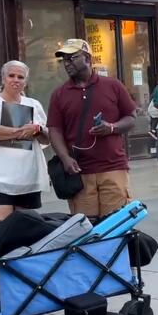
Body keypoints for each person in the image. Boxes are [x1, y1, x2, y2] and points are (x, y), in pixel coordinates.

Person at [48, 39, 136, 218]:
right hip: (79, 173)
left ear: (87, 58)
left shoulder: (113, 85)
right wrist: (65, 158)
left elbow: (131, 118)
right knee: (85, 228)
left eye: (72, 57)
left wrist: (112, 127)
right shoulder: (59, 94)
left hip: (113, 168)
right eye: (64, 59)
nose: (67, 63)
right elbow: (54, 130)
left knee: (115, 224)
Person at [0, 60, 50, 222]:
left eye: (20, 77)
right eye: (11, 75)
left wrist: (38, 129)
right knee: (3, 229)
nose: (16, 79)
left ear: (25, 82)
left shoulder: (34, 104)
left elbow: (46, 136)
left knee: (24, 230)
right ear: (3, 79)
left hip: (27, 178)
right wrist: (21, 131)